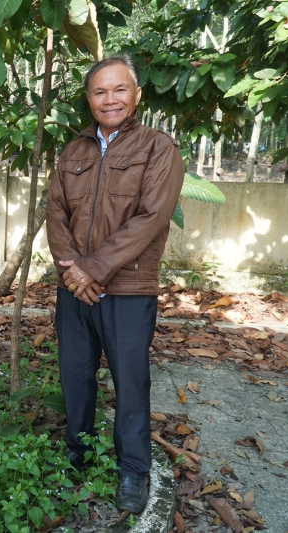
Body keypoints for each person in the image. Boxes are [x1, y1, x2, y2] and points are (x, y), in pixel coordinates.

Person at [45, 54, 184, 514]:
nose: (110, 99)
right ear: (89, 99)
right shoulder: (73, 151)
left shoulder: (158, 149)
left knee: (130, 382)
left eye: (119, 89)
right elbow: (56, 213)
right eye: (100, 91)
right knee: (76, 377)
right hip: (75, 290)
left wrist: (95, 269)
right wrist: (72, 271)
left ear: (137, 95)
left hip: (128, 290)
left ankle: (132, 470)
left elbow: (151, 218)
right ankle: (77, 455)